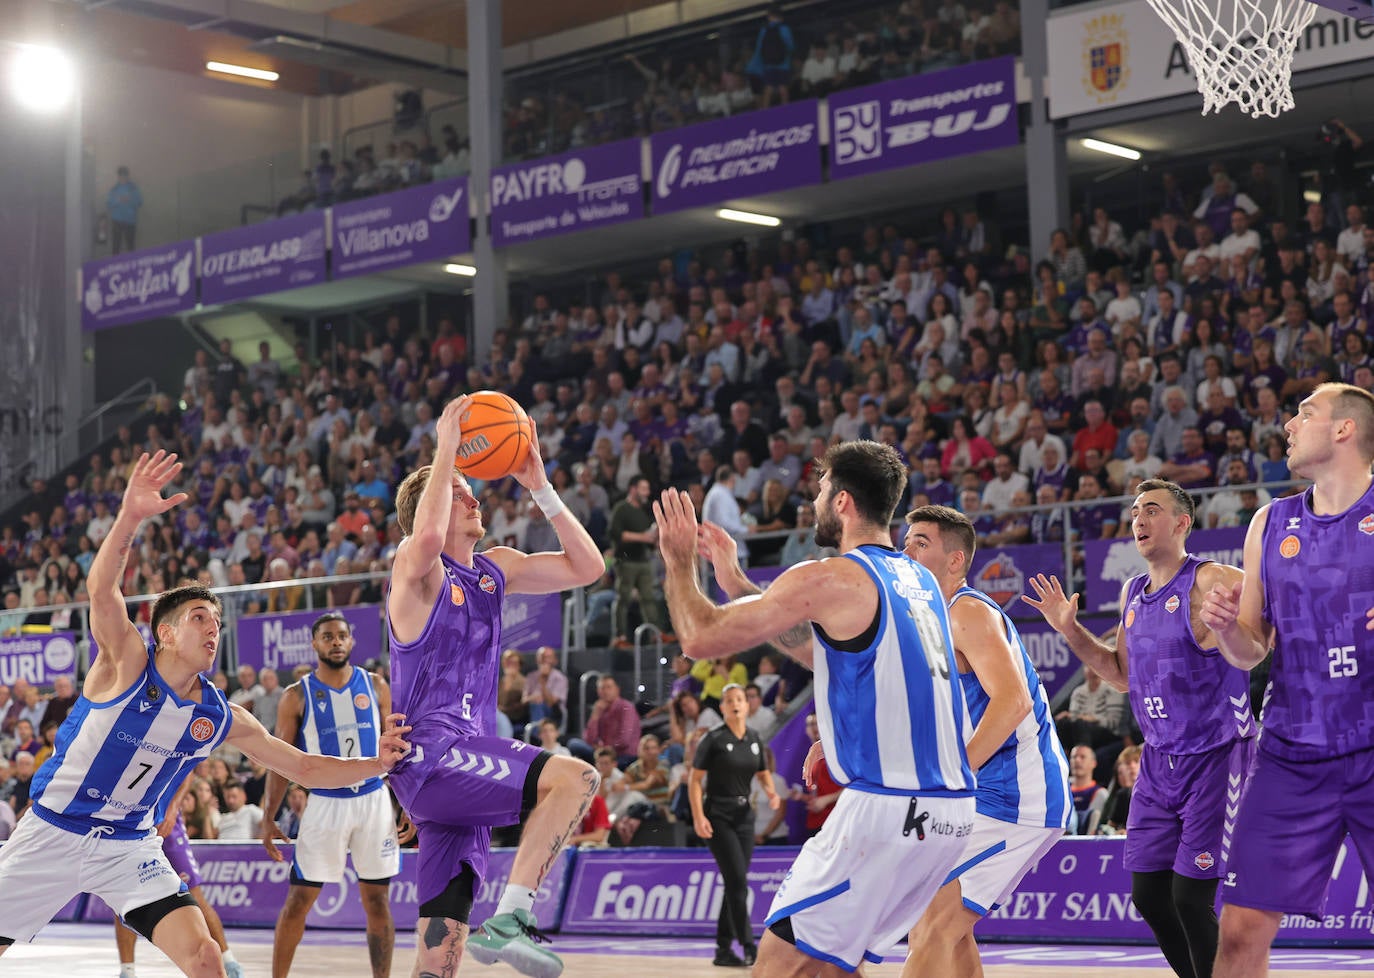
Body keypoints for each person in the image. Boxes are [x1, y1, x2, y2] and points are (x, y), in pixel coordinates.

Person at [0, 451, 410, 975]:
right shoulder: (126, 664)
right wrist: (129, 516)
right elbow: (102, 590)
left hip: (127, 846)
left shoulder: (219, 715)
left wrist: (377, 765)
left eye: (216, 619)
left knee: (205, 955)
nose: (213, 627)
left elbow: (303, 767)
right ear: (166, 633)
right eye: (199, 617)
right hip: (53, 832)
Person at [657, 440, 974, 976]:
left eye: (822, 490)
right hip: (950, 814)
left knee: (777, 966)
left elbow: (698, 637)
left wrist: (679, 561)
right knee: (831, 966)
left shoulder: (832, 575)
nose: (816, 500)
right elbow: (817, 650)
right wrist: (735, 582)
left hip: (887, 809)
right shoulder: (919, 581)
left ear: (844, 502)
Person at [385, 394, 604, 978]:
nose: (473, 494)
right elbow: (427, 539)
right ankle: (513, 917)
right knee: (578, 777)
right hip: (436, 754)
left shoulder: (495, 568)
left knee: (440, 957)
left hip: (462, 773)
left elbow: (589, 569)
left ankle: (485, 930)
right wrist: (446, 449)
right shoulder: (415, 566)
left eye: (468, 486)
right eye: (458, 491)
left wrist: (541, 486)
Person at [1026, 478, 1254, 978]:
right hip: (1157, 760)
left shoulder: (1211, 578)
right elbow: (1121, 677)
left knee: (1191, 898)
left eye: (1152, 510)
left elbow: (1266, 604)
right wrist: (1069, 629)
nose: (1139, 519)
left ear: (1182, 522)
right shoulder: (1133, 591)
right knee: (1148, 895)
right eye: (1134, 512)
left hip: (1217, 753)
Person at [1198, 383, 1374, 978]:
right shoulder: (1271, 522)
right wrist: (1226, 630)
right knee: (1241, 929)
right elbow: (1252, 648)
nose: (1289, 425)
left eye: (1305, 413)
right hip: (1292, 753)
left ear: (1345, 429)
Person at [899, 505, 1072, 978]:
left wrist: (958, 770)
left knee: (931, 927)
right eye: (906, 539)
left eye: (920, 542)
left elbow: (1012, 702)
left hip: (1018, 796)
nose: (905, 549)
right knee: (946, 930)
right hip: (986, 793)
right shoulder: (933, 619)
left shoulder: (967, 612)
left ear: (955, 561)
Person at [260, 611, 404, 978]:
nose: (336, 642)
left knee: (377, 901)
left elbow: (398, 749)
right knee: (298, 902)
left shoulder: (376, 686)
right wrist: (268, 816)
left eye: (342, 635)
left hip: (374, 801)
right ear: (314, 644)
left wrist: (408, 803)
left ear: (352, 641)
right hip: (326, 804)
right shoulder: (296, 696)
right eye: (328, 636)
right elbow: (280, 761)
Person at [114, 775, 245, 978]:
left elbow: (188, 772)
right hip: (128, 821)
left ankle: (229, 962)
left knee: (195, 896)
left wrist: (173, 808)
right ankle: (127, 972)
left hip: (166, 819)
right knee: (124, 900)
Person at [689, 683, 780, 967]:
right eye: (729, 700)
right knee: (738, 881)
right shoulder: (713, 739)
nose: (736, 704)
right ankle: (749, 945)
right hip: (718, 815)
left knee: (735, 883)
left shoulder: (754, 738)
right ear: (722, 707)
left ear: (747, 704)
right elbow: (694, 780)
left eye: (740, 699)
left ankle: (722, 950)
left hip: (744, 817)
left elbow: (763, 773)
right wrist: (698, 817)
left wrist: (771, 792)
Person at [107, 165, 143, 253]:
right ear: (118, 176)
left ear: (128, 176)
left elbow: (139, 202)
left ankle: (131, 265)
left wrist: (129, 200)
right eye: (121, 175)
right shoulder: (114, 189)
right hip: (117, 221)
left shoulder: (133, 188)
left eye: (124, 175)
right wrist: (118, 200)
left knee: (130, 246)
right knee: (116, 246)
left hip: (130, 221)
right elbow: (109, 204)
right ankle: (115, 264)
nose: (123, 177)